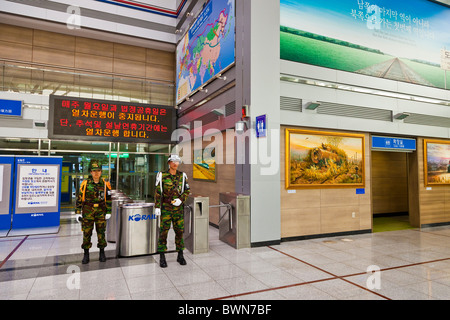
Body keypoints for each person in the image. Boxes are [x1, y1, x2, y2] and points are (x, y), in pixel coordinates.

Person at [154, 154, 190, 268]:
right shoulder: (162, 175)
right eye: (173, 161)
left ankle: (180, 255)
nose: (175, 163)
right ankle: (162, 256)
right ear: (169, 163)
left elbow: (187, 190)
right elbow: (157, 192)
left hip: (178, 209)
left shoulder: (182, 176)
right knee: (163, 232)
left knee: (179, 232)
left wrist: (181, 199)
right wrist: (157, 207)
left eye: (177, 161)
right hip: (166, 208)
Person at [75, 160, 112, 264]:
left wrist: (109, 211)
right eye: (94, 171)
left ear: (101, 172)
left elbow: (109, 198)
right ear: (90, 172)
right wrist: (78, 212)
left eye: (98, 171)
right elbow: (79, 198)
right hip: (88, 211)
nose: (96, 173)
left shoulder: (105, 184)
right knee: (87, 233)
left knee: (101, 233)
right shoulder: (85, 183)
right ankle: (86, 254)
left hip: (101, 211)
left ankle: (102, 252)